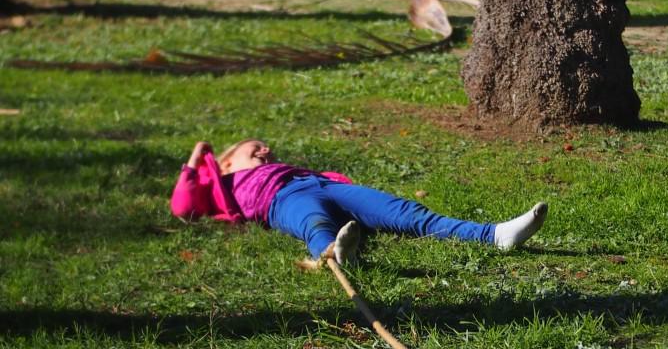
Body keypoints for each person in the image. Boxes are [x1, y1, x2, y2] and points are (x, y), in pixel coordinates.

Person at [171, 138, 548, 265]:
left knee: (408, 213)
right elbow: (183, 207)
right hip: (280, 202)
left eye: (266, 148)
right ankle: (335, 255)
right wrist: (197, 156)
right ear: (227, 162)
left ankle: (493, 234)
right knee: (314, 225)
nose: (266, 150)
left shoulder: (292, 168)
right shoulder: (225, 183)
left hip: (323, 185)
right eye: (256, 147)